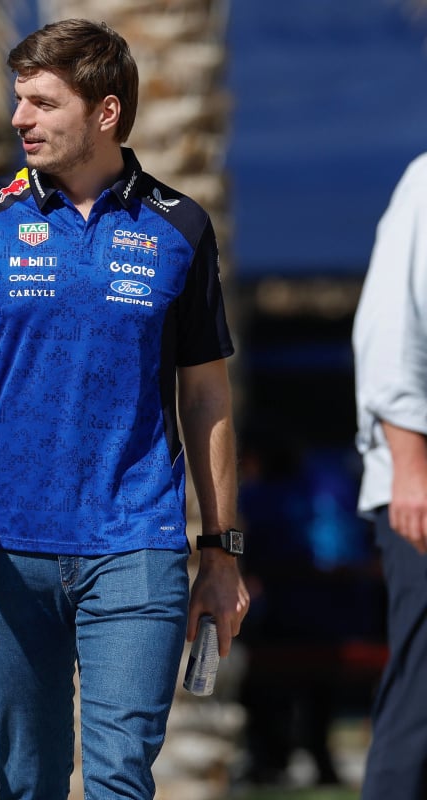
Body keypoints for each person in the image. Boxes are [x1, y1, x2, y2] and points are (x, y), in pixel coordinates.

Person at [0, 19, 250, 799]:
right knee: (31, 780)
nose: (19, 119)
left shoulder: (179, 225)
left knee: (120, 775)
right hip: (5, 547)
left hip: (137, 545)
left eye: (43, 103)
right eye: (20, 101)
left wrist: (221, 550)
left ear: (106, 112)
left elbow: (207, 393)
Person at [353, 151, 427, 800]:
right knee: (422, 700)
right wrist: (411, 472)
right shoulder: (426, 182)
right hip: (421, 493)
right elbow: (388, 339)